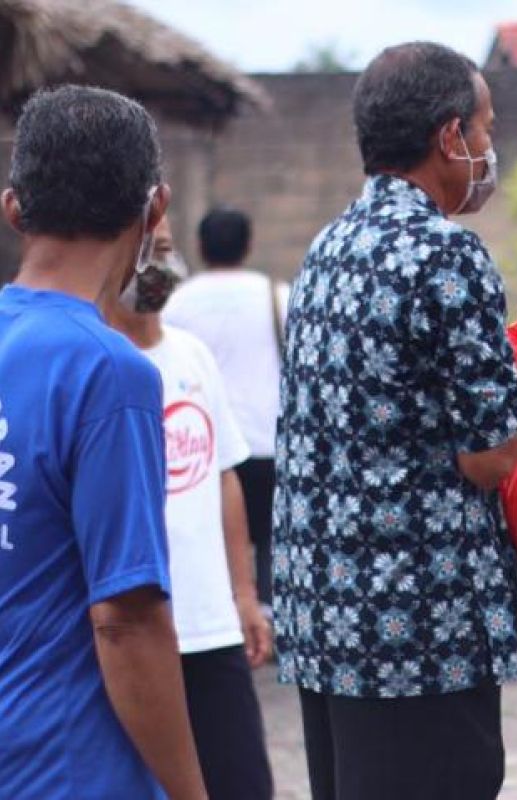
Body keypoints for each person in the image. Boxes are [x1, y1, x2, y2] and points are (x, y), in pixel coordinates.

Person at [273, 41, 517, 800]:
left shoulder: (329, 247)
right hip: (420, 630)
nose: (490, 150)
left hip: (331, 622)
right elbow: (489, 454)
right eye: (485, 130)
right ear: (450, 137)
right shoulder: (443, 252)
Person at [0, 85, 207, 799]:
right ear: (155, 208)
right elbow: (126, 620)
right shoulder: (109, 373)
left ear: (13, 207)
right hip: (66, 769)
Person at [105, 213, 275, 800]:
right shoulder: (101, 364)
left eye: (167, 249)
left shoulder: (193, 355)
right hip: (140, 630)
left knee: (244, 782)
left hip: (212, 630)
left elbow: (223, 477)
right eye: (145, 249)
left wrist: (244, 595)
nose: (157, 263)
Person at [164, 207, 285, 608]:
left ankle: (226, 609)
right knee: (271, 535)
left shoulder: (177, 303)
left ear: (199, 246)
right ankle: (269, 614)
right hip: (268, 438)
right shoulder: (277, 295)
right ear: (249, 245)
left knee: (215, 534)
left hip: (207, 444)